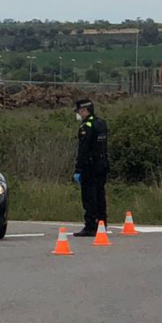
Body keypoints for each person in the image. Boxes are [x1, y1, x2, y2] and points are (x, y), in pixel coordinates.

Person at [72, 98, 109, 237]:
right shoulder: (101, 123)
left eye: (79, 111)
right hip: (102, 165)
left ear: (85, 110)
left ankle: (90, 226)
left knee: (89, 197)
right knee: (100, 195)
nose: (78, 114)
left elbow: (83, 150)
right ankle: (102, 223)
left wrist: (78, 169)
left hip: (89, 167)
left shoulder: (86, 126)